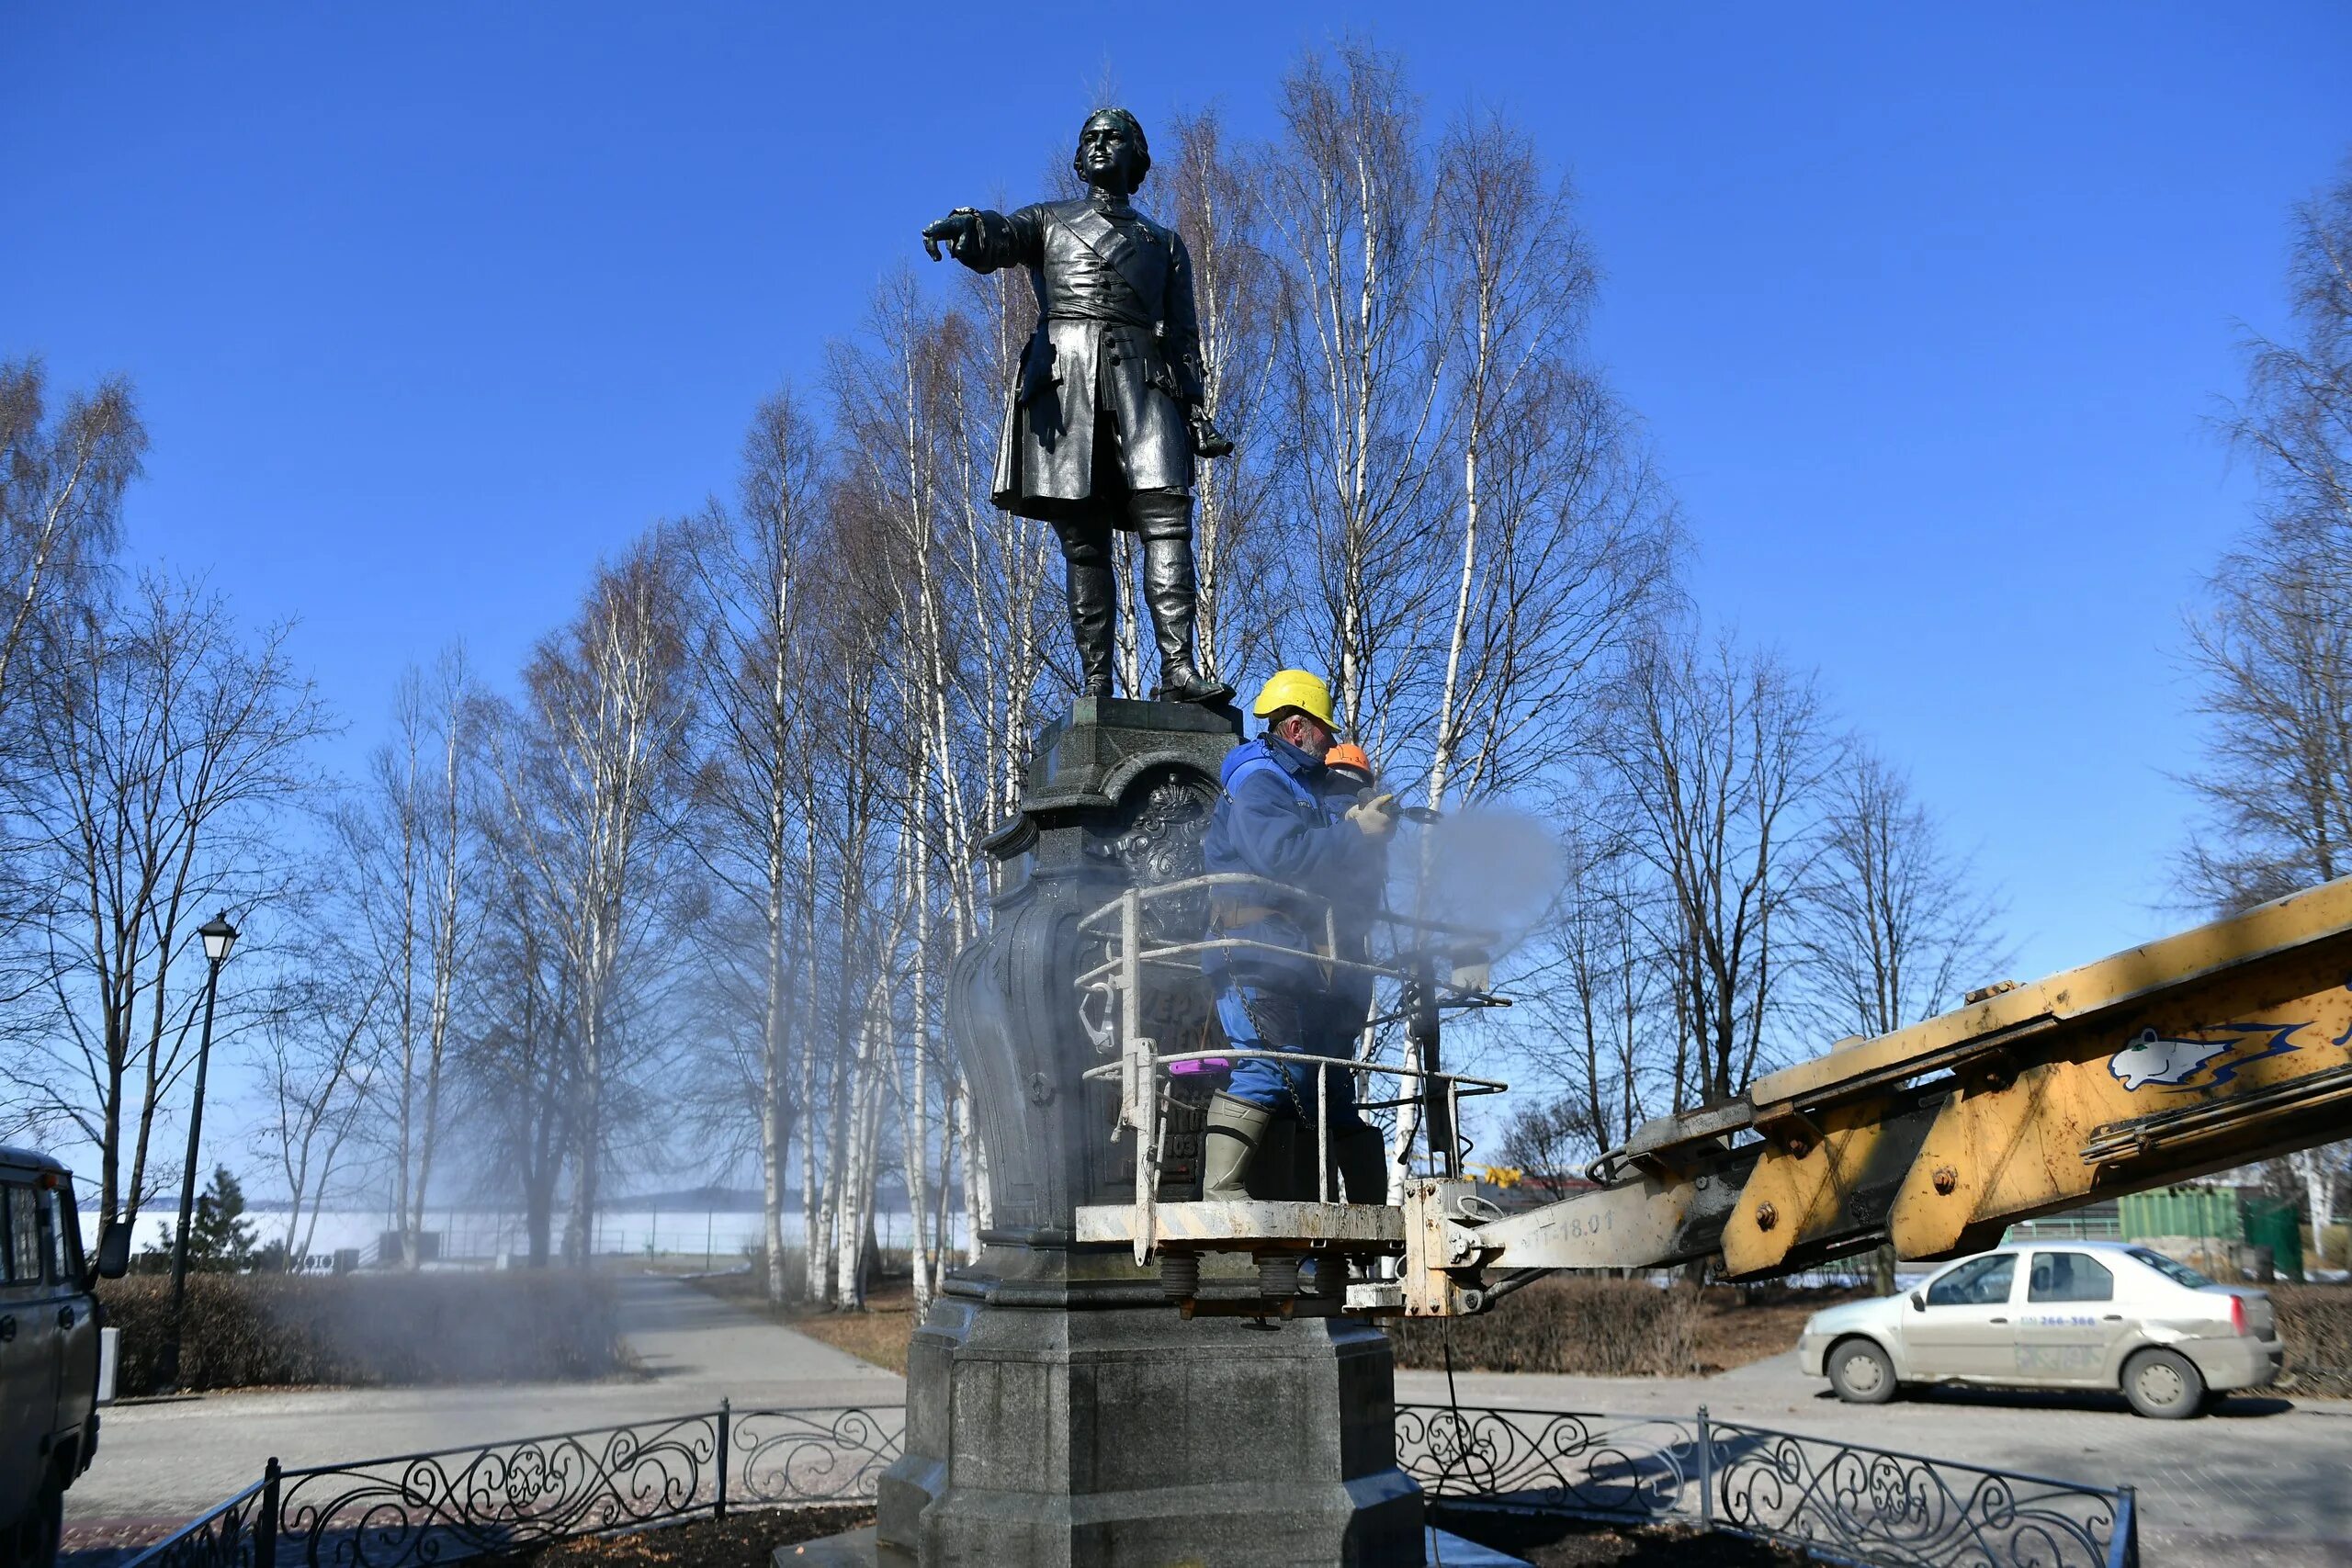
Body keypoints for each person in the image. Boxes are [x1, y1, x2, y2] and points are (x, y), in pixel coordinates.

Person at [921, 108, 1233, 705]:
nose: (1097, 144)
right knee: (1083, 537)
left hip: (1147, 381)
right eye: (1088, 137)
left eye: (1111, 136)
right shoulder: (1049, 220)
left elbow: (1185, 336)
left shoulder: (1164, 244)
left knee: (1168, 516)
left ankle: (1179, 670)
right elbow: (1001, 236)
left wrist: (1194, 407)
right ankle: (1097, 681)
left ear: (1136, 155)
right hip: (1069, 384)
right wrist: (969, 228)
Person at [1196, 670, 1396, 1204]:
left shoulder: (1296, 786)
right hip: (1254, 950)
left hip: (1289, 954)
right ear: (1295, 730)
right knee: (1270, 1066)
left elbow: (1327, 868)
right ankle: (1220, 1194)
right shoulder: (1260, 781)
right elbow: (1283, 858)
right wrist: (1352, 833)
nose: (1332, 741)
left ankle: (1361, 1208)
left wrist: (1353, 831)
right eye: (1324, 731)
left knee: (1328, 1079)